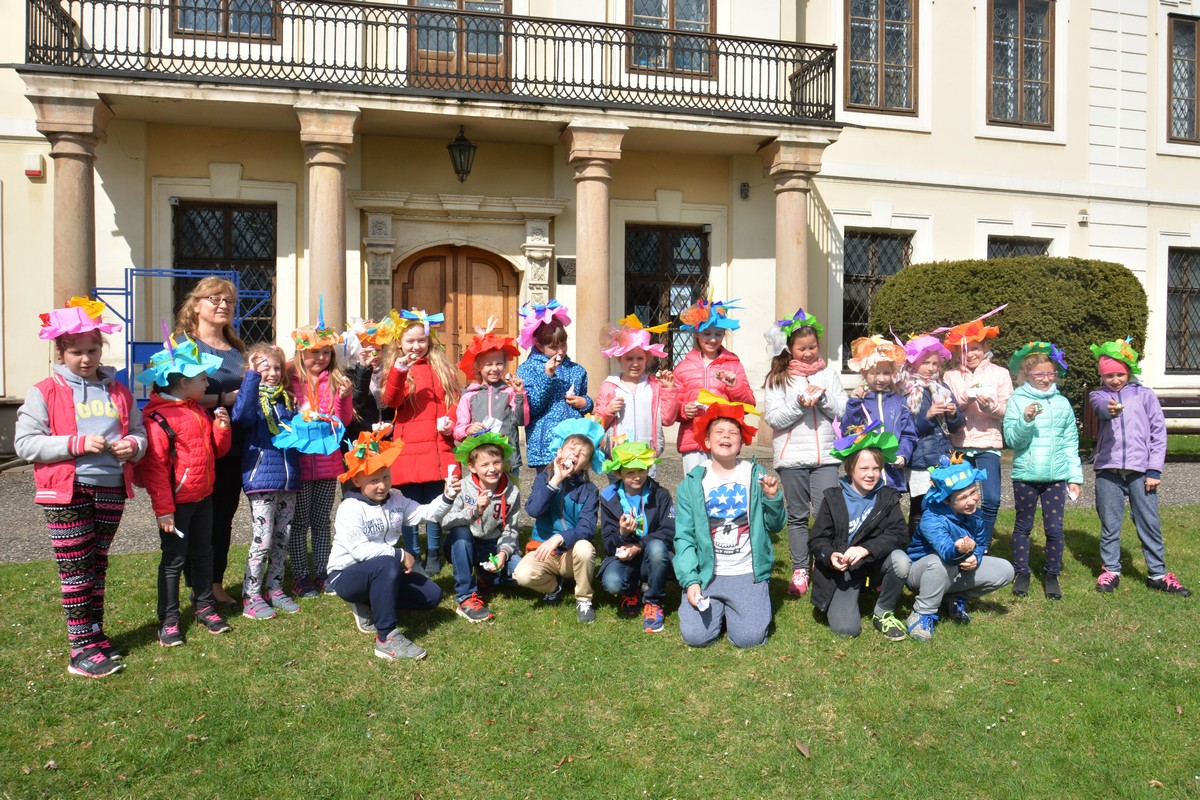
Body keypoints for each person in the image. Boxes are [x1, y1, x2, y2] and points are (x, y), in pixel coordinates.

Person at [15, 298, 146, 677]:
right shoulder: (45, 390)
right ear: (61, 351)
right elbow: (26, 444)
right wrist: (76, 443)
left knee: (97, 564)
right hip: (66, 492)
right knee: (75, 569)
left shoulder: (118, 391)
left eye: (92, 350)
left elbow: (139, 431)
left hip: (111, 488)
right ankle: (79, 650)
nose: (86, 359)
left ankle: (94, 634)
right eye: (76, 352)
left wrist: (133, 446)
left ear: (101, 348)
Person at [135, 332, 234, 647]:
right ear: (182, 382)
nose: (207, 383)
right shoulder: (157, 418)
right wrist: (164, 509)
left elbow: (216, 451)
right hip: (177, 505)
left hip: (204, 497)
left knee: (204, 553)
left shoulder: (197, 410)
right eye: (202, 378)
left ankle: (205, 606)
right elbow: (155, 469)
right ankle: (169, 619)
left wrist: (221, 428)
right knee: (174, 561)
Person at [327, 427, 457, 660]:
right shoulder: (350, 507)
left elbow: (426, 513)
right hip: (346, 574)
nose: (382, 485)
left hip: (384, 570)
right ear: (357, 480)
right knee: (387, 562)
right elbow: (359, 550)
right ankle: (386, 638)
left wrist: (447, 497)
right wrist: (399, 555)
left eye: (386, 477)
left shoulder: (396, 499)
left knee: (432, 596)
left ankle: (370, 602)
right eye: (373, 480)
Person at [673, 401, 785, 649]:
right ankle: (721, 608)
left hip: (746, 572)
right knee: (695, 637)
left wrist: (772, 498)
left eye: (733, 433)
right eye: (719, 432)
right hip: (708, 574)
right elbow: (684, 537)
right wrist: (691, 581)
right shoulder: (692, 482)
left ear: (741, 442)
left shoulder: (754, 475)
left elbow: (776, 525)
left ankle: (739, 607)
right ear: (707, 441)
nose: (726, 436)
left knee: (749, 639)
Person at [1088, 339, 1190, 596]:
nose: (1115, 380)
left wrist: (1154, 469)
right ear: (1102, 376)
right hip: (1108, 470)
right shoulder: (1099, 395)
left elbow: (1158, 433)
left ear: (1128, 372)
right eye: (1109, 375)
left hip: (1141, 472)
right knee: (1110, 525)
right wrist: (1110, 410)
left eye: (1119, 374)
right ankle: (1111, 570)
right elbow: (1100, 408)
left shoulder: (1144, 395)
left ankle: (1158, 573)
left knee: (1148, 522)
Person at [877, 454, 1015, 642]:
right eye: (963, 497)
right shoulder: (932, 519)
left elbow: (982, 543)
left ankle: (954, 597)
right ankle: (921, 613)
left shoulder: (976, 515)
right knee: (941, 563)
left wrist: (976, 556)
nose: (972, 501)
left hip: (954, 568)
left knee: (1006, 570)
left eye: (973, 492)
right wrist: (960, 550)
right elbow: (947, 554)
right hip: (922, 573)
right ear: (946, 500)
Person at [761, 307, 848, 598]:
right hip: (792, 459)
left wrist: (822, 399)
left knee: (827, 513)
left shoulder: (829, 375)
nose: (809, 353)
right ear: (790, 349)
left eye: (812, 347)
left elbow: (844, 411)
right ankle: (800, 569)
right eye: (802, 348)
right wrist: (799, 404)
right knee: (798, 516)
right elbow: (774, 419)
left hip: (827, 457)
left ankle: (824, 563)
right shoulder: (778, 378)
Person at [174, 277, 247, 606]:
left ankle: (215, 582)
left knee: (224, 515)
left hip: (234, 443)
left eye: (228, 301)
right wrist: (224, 398)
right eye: (215, 299)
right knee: (196, 516)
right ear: (196, 305)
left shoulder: (237, 348)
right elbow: (174, 394)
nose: (223, 305)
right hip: (197, 443)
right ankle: (197, 583)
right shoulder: (183, 346)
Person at [808, 422, 908, 638]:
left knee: (901, 561)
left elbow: (899, 534)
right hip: (845, 569)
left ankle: (883, 611)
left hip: (874, 562)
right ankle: (851, 593)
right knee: (846, 630)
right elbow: (817, 539)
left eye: (876, 468)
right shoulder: (833, 498)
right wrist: (830, 555)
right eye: (864, 468)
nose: (871, 474)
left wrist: (866, 549)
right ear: (850, 468)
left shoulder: (887, 497)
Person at [380, 308, 462, 574]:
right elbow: (391, 399)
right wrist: (399, 370)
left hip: (438, 444)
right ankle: (413, 552)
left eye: (421, 340)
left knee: (438, 501)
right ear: (399, 343)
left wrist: (450, 421)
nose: (416, 346)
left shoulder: (442, 368)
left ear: (429, 341)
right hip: (410, 448)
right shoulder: (397, 369)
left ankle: (434, 553)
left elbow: (455, 400)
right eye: (410, 341)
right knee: (410, 506)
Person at [1003, 342, 1083, 600]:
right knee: (1023, 526)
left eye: (1051, 374)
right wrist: (1025, 420)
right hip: (1026, 476)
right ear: (1027, 374)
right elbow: (1013, 441)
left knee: (1055, 529)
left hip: (1056, 478)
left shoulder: (1062, 404)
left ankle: (1051, 574)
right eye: (1039, 375)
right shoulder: (1017, 401)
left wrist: (1075, 477)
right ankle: (1021, 572)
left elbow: (1070, 443)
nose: (1046, 379)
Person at [231, 343, 302, 620]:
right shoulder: (251, 397)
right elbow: (241, 417)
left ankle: (275, 588)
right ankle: (251, 595)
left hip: (288, 479)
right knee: (263, 539)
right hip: (261, 478)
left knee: (282, 537)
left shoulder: (286, 400)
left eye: (276, 368)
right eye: (264, 367)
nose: (272, 373)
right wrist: (251, 377)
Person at [286, 306, 353, 597]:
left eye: (326, 352)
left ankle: (323, 572)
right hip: (300, 463)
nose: (321, 358)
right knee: (300, 522)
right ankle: (301, 575)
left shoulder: (335, 380)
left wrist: (343, 398)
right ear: (301, 353)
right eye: (314, 352)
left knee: (322, 521)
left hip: (328, 462)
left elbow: (343, 421)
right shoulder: (290, 382)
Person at [514, 417, 604, 624]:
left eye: (582, 454)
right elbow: (533, 510)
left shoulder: (589, 490)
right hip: (544, 551)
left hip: (571, 554)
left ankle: (584, 599)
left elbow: (587, 529)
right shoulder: (543, 479)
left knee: (585, 548)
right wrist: (555, 480)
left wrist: (559, 538)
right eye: (571, 448)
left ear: (587, 464)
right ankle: (554, 587)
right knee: (522, 575)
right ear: (560, 451)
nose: (575, 454)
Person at [940, 306, 1013, 543]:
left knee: (991, 498)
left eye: (975, 348)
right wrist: (966, 397)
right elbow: (949, 407)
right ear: (956, 354)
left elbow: (1009, 411)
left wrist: (991, 407)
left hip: (988, 444)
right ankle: (961, 538)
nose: (970, 354)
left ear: (985, 347)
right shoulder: (950, 376)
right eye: (964, 350)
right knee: (958, 496)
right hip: (959, 445)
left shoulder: (1000, 374)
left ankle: (983, 541)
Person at [440, 432, 522, 622]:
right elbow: (445, 522)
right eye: (485, 465)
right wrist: (474, 511)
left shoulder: (512, 491)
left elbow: (511, 529)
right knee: (461, 532)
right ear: (472, 467)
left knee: (520, 575)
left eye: (497, 462)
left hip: (492, 546)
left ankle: (485, 575)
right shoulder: (463, 487)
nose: (492, 469)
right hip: (462, 544)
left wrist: (503, 553)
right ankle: (466, 597)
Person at [596, 441, 676, 633]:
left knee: (657, 547)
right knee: (613, 582)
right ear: (618, 474)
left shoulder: (661, 494)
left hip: (652, 554)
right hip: (623, 558)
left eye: (641, 470)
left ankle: (654, 602)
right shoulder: (609, 497)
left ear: (648, 468)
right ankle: (632, 591)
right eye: (630, 472)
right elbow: (608, 544)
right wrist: (622, 534)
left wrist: (639, 545)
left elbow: (669, 531)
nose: (637, 476)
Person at [672, 298, 757, 473]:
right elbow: (673, 408)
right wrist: (683, 410)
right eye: (706, 333)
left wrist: (735, 386)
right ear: (697, 334)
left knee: (723, 485)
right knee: (695, 486)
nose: (712, 339)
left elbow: (749, 404)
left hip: (723, 439)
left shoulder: (733, 365)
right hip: (693, 440)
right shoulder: (683, 368)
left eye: (718, 334)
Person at [515, 300, 593, 473]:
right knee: (549, 486)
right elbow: (532, 407)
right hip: (545, 445)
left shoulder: (577, 370)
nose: (560, 351)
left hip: (573, 445)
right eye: (553, 347)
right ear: (539, 346)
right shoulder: (528, 369)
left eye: (563, 344)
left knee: (576, 487)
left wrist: (585, 403)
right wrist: (547, 377)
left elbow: (585, 403)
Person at [900, 334, 965, 536]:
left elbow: (958, 426)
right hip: (920, 459)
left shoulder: (941, 388)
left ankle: (939, 542)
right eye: (925, 363)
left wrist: (953, 414)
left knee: (943, 503)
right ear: (914, 363)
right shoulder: (907, 389)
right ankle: (916, 545)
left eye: (935, 364)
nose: (931, 368)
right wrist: (927, 416)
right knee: (920, 505)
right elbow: (904, 428)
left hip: (943, 456)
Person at [593, 314, 679, 465]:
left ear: (647, 359)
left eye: (640, 358)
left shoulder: (654, 386)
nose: (635, 363)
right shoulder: (610, 385)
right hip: (618, 455)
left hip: (646, 454)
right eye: (629, 358)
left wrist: (669, 390)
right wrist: (608, 411)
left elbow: (667, 419)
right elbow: (598, 422)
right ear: (620, 359)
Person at [840, 335, 916, 491]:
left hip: (892, 476)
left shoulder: (899, 401)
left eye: (886, 373)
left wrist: (902, 454)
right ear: (864, 372)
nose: (881, 379)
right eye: (875, 373)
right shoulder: (859, 400)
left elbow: (908, 434)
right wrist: (854, 403)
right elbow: (848, 430)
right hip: (865, 477)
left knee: (891, 506)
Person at [454, 321, 527, 471]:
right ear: (478, 367)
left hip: (508, 460)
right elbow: (458, 431)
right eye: (488, 364)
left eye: (499, 363)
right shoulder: (469, 395)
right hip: (481, 462)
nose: (495, 368)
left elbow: (522, 421)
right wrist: (468, 429)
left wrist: (519, 394)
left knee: (509, 488)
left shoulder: (509, 392)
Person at [343, 319, 386, 446]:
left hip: (385, 437)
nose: (373, 355)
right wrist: (363, 368)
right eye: (367, 351)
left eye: (377, 350)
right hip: (360, 438)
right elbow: (357, 401)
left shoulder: (387, 372)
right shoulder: (349, 374)